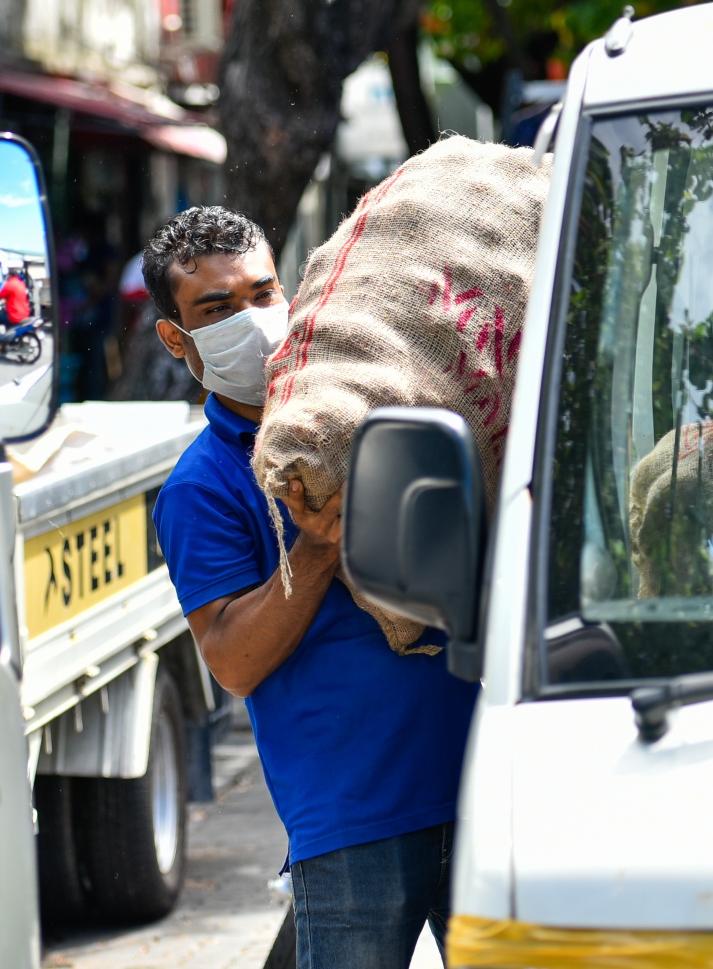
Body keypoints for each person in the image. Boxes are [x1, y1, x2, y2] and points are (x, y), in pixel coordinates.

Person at [145, 207, 479, 969]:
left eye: (263, 293)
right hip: (351, 821)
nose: (254, 320)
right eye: (217, 309)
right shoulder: (202, 487)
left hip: (483, 782)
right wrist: (318, 548)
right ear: (176, 338)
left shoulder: (385, 399)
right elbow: (230, 659)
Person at [0, 267, 30, 338]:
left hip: (14, 315)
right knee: (5, 317)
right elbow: (13, 297)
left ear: (10, 275)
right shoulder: (21, 284)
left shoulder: (9, 284)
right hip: (25, 314)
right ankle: (8, 340)